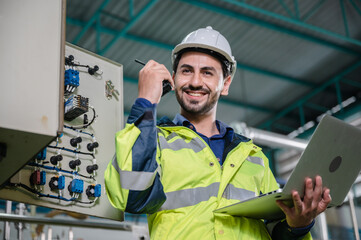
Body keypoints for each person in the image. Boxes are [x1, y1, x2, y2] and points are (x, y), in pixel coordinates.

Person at [104, 26, 331, 239]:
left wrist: (299, 226)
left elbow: (274, 230)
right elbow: (131, 195)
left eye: (207, 73)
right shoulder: (156, 142)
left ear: (226, 84)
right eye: (186, 71)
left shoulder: (253, 157)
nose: (195, 81)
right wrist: (146, 101)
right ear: (173, 79)